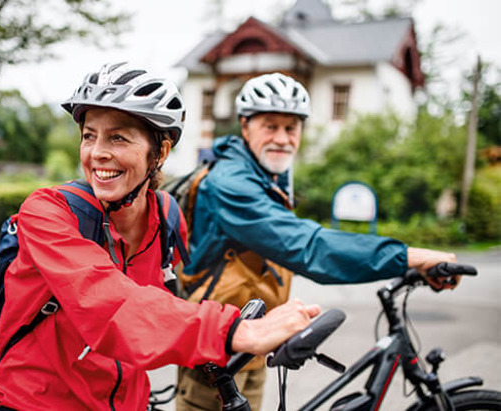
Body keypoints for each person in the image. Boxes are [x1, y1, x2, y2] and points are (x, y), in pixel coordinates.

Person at [0, 62, 321, 411]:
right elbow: (110, 303)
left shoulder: (166, 217)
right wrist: (234, 331)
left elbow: (160, 305)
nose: (97, 151)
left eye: (117, 137)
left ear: (159, 153)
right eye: (89, 135)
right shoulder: (46, 213)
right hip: (36, 403)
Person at [176, 72, 460, 411]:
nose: (282, 138)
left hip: (249, 346)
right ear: (245, 125)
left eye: (291, 127)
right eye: (270, 125)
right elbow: (309, 247)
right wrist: (411, 256)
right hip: (217, 357)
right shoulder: (231, 184)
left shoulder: (266, 177)